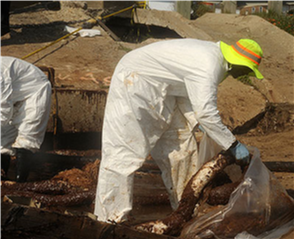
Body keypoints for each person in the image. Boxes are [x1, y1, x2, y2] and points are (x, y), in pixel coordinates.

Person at [94, 38, 264, 223]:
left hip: (165, 90)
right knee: (123, 153)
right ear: (238, 63)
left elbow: (186, 87)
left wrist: (198, 122)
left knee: (181, 147)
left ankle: (186, 210)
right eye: (248, 70)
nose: (246, 74)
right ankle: (109, 219)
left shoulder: (215, 61)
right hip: (135, 81)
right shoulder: (209, 64)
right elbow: (206, 112)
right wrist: (232, 144)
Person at [0, 56, 52, 182]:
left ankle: (20, 185)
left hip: (35, 92)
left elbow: (3, 113)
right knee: (2, 141)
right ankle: (3, 180)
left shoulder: (1, 74)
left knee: (27, 137)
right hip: (14, 98)